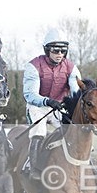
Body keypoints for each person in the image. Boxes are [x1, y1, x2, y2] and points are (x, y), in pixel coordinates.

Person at [23, 28, 81, 180]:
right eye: (55, 50)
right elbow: (30, 95)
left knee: (74, 132)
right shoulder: (33, 66)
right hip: (37, 106)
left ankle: (90, 165)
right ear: (47, 50)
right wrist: (48, 101)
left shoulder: (71, 67)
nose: (59, 54)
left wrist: (74, 103)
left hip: (58, 106)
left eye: (63, 50)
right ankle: (32, 166)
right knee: (39, 130)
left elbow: (76, 90)